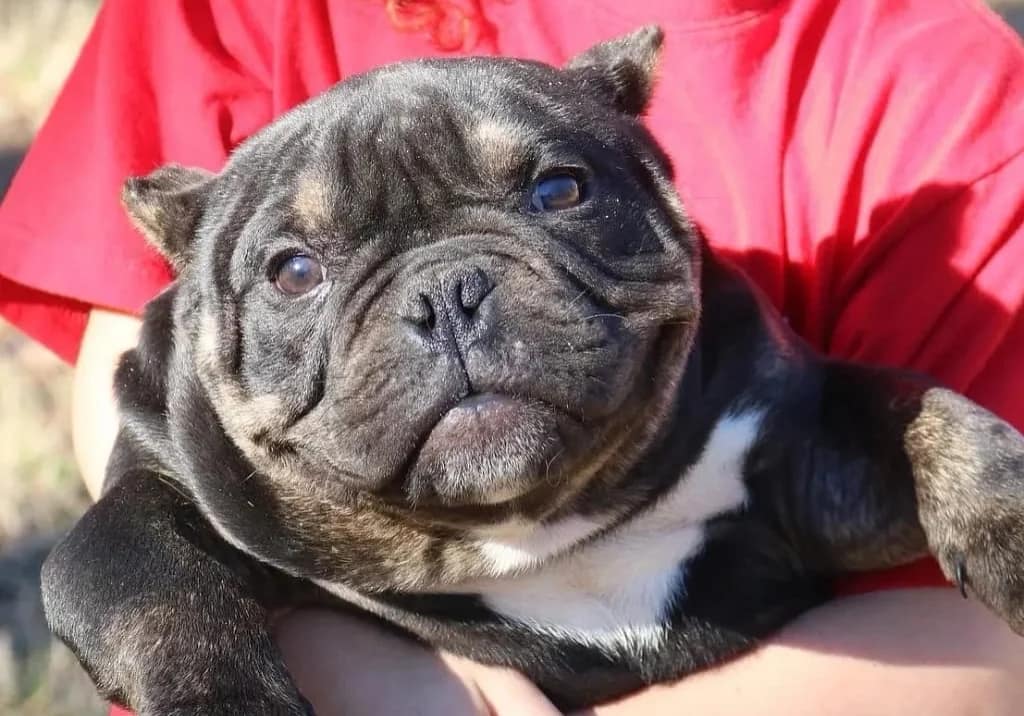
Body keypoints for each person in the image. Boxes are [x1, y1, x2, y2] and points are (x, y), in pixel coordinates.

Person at [2, 0, 1024, 713]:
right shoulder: (235, 13)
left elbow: (985, 635)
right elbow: (127, 509)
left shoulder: (933, 92)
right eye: (298, 271)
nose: (449, 306)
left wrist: (955, 456)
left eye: (554, 193)